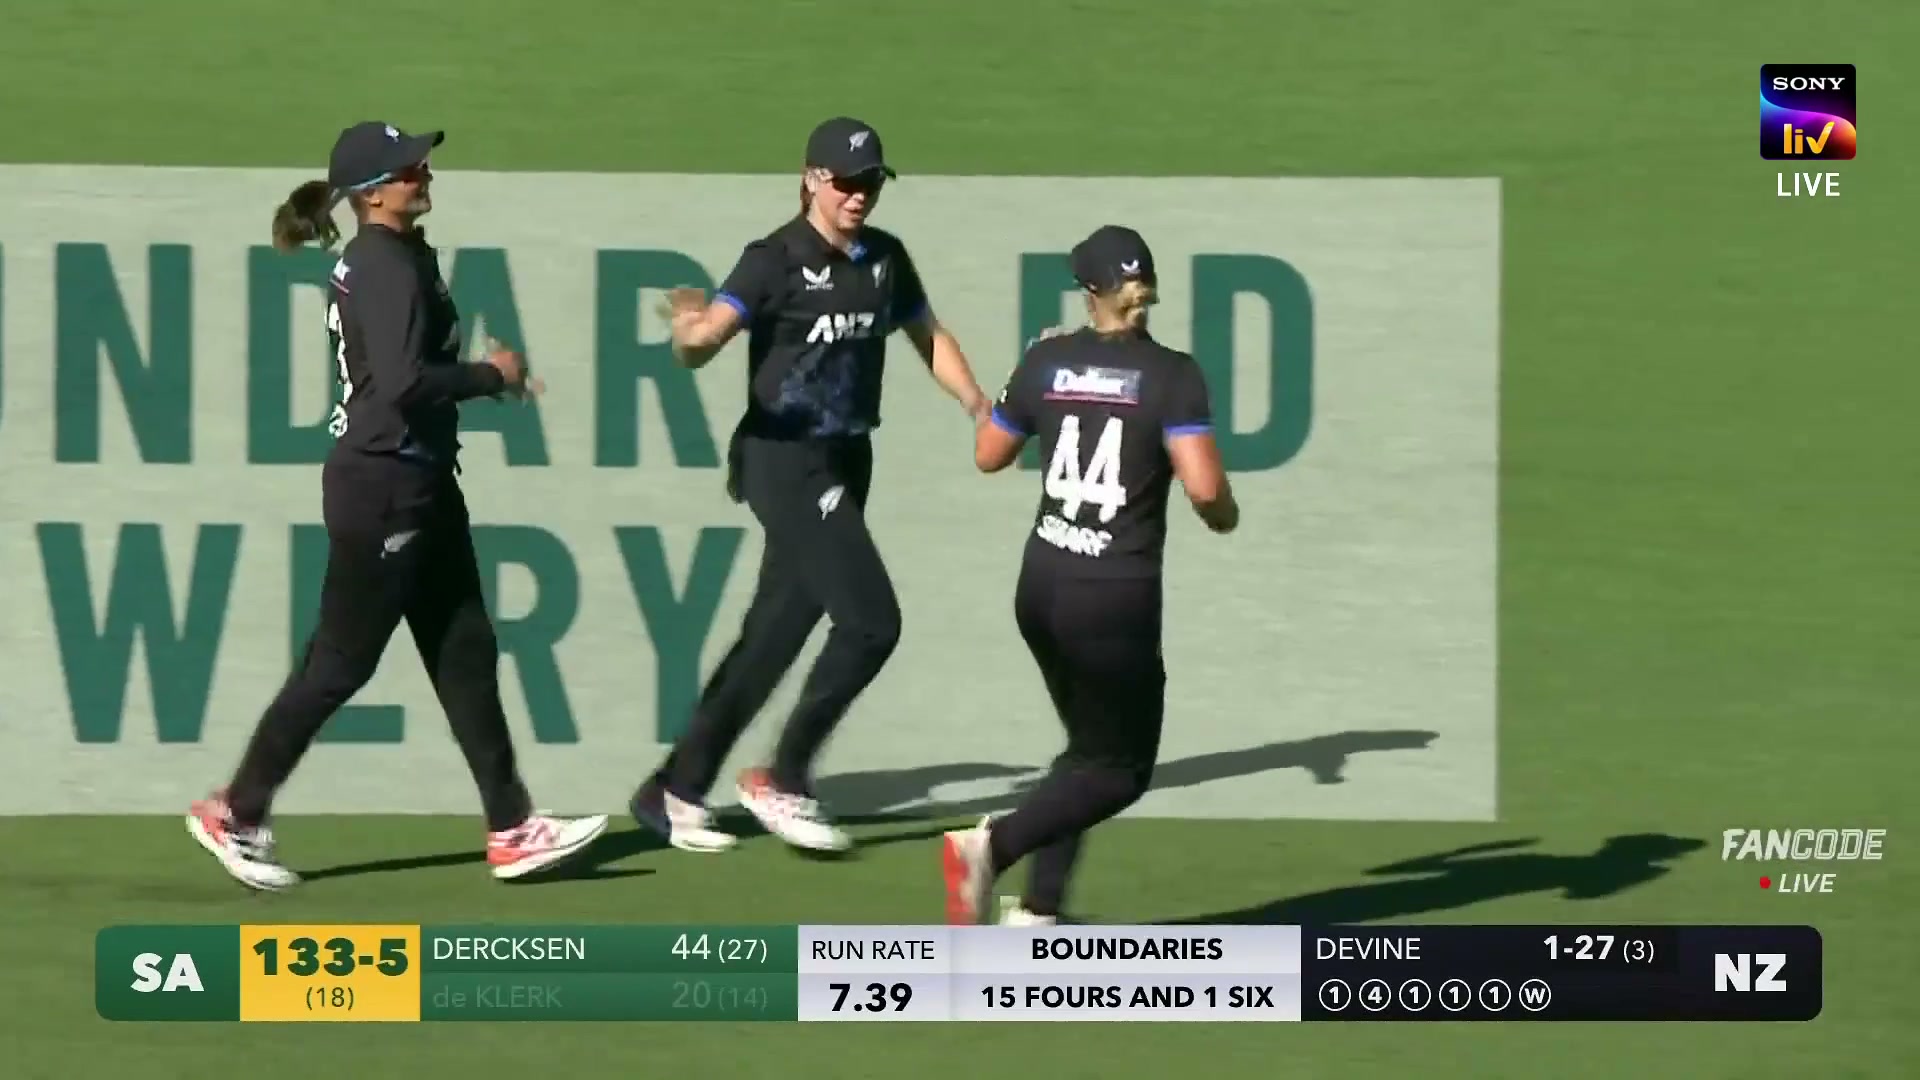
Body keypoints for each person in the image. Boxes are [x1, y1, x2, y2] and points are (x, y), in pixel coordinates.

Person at [185, 121, 608, 891]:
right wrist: (491, 375)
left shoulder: (399, 254)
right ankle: (236, 813)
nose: (425, 173)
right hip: (385, 491)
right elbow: (405, 382)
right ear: (374, 194)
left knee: (465, 649)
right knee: (339, 664)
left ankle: (512, 827)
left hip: (420, 483)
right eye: (410, 169)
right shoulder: (383, 266)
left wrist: (479, 383)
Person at [630, 116, 992, 855]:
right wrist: (691, 329)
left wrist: (977, 404)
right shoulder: (773, 260)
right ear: (812, 179)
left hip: (848, 459)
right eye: (848, 183)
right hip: (784, 460)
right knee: (871, 622)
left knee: (774, 634)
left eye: (873, 183)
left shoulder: (885, 259)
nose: (861, 196)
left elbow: (928, 334)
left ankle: (672, 790)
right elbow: (706, 339)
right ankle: (783, 778)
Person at [941, 225, 1239, 924]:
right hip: (1112, 599)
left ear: (1087, 292)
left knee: (1086, 751)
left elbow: (990, 454)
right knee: (1120, 770)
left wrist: (1027, 374)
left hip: (1041, 586)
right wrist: (1227, 515)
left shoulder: (1047, 359)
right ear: (1148, 289)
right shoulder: (1173, 375)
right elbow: (1204, 491)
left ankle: (1039, 909)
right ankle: (990, 847)